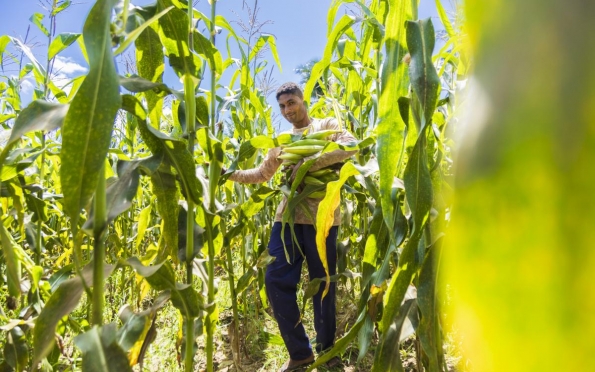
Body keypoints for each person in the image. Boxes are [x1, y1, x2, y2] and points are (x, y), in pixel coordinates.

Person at [227, 82, 356, 371]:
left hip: (322, 220)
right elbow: (261, 174)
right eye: (282, 106)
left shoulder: (327, 125)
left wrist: (312, 161)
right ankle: (300, 353)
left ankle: (326, 351)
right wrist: (229, 174)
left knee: (323, 285)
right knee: (274, 281)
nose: (287, 110)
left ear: (302, 100)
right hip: (286, 221)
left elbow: (351, 147)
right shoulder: (282, 140)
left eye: (291, 103)